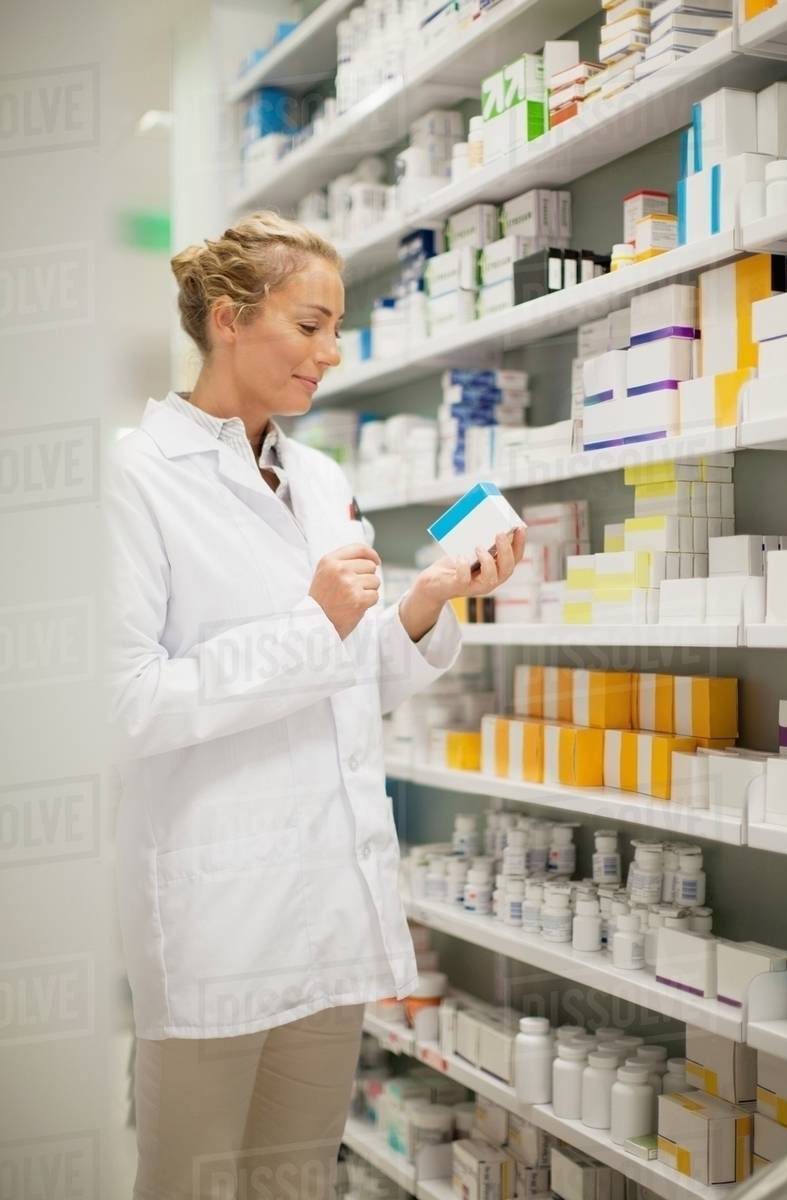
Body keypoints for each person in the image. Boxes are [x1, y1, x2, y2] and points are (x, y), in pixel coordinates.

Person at [107, 210, 525, 1199]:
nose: (331, 353)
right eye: (310, 325)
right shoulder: (132, 477)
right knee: (193, 1184)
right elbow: (125, 705)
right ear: (226, 321)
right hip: (217, 916)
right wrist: (308, 624)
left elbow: (347, 681)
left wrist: (421, 605)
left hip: (327, 912)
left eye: (336, 329)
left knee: (296, 1184)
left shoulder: (322, 480)